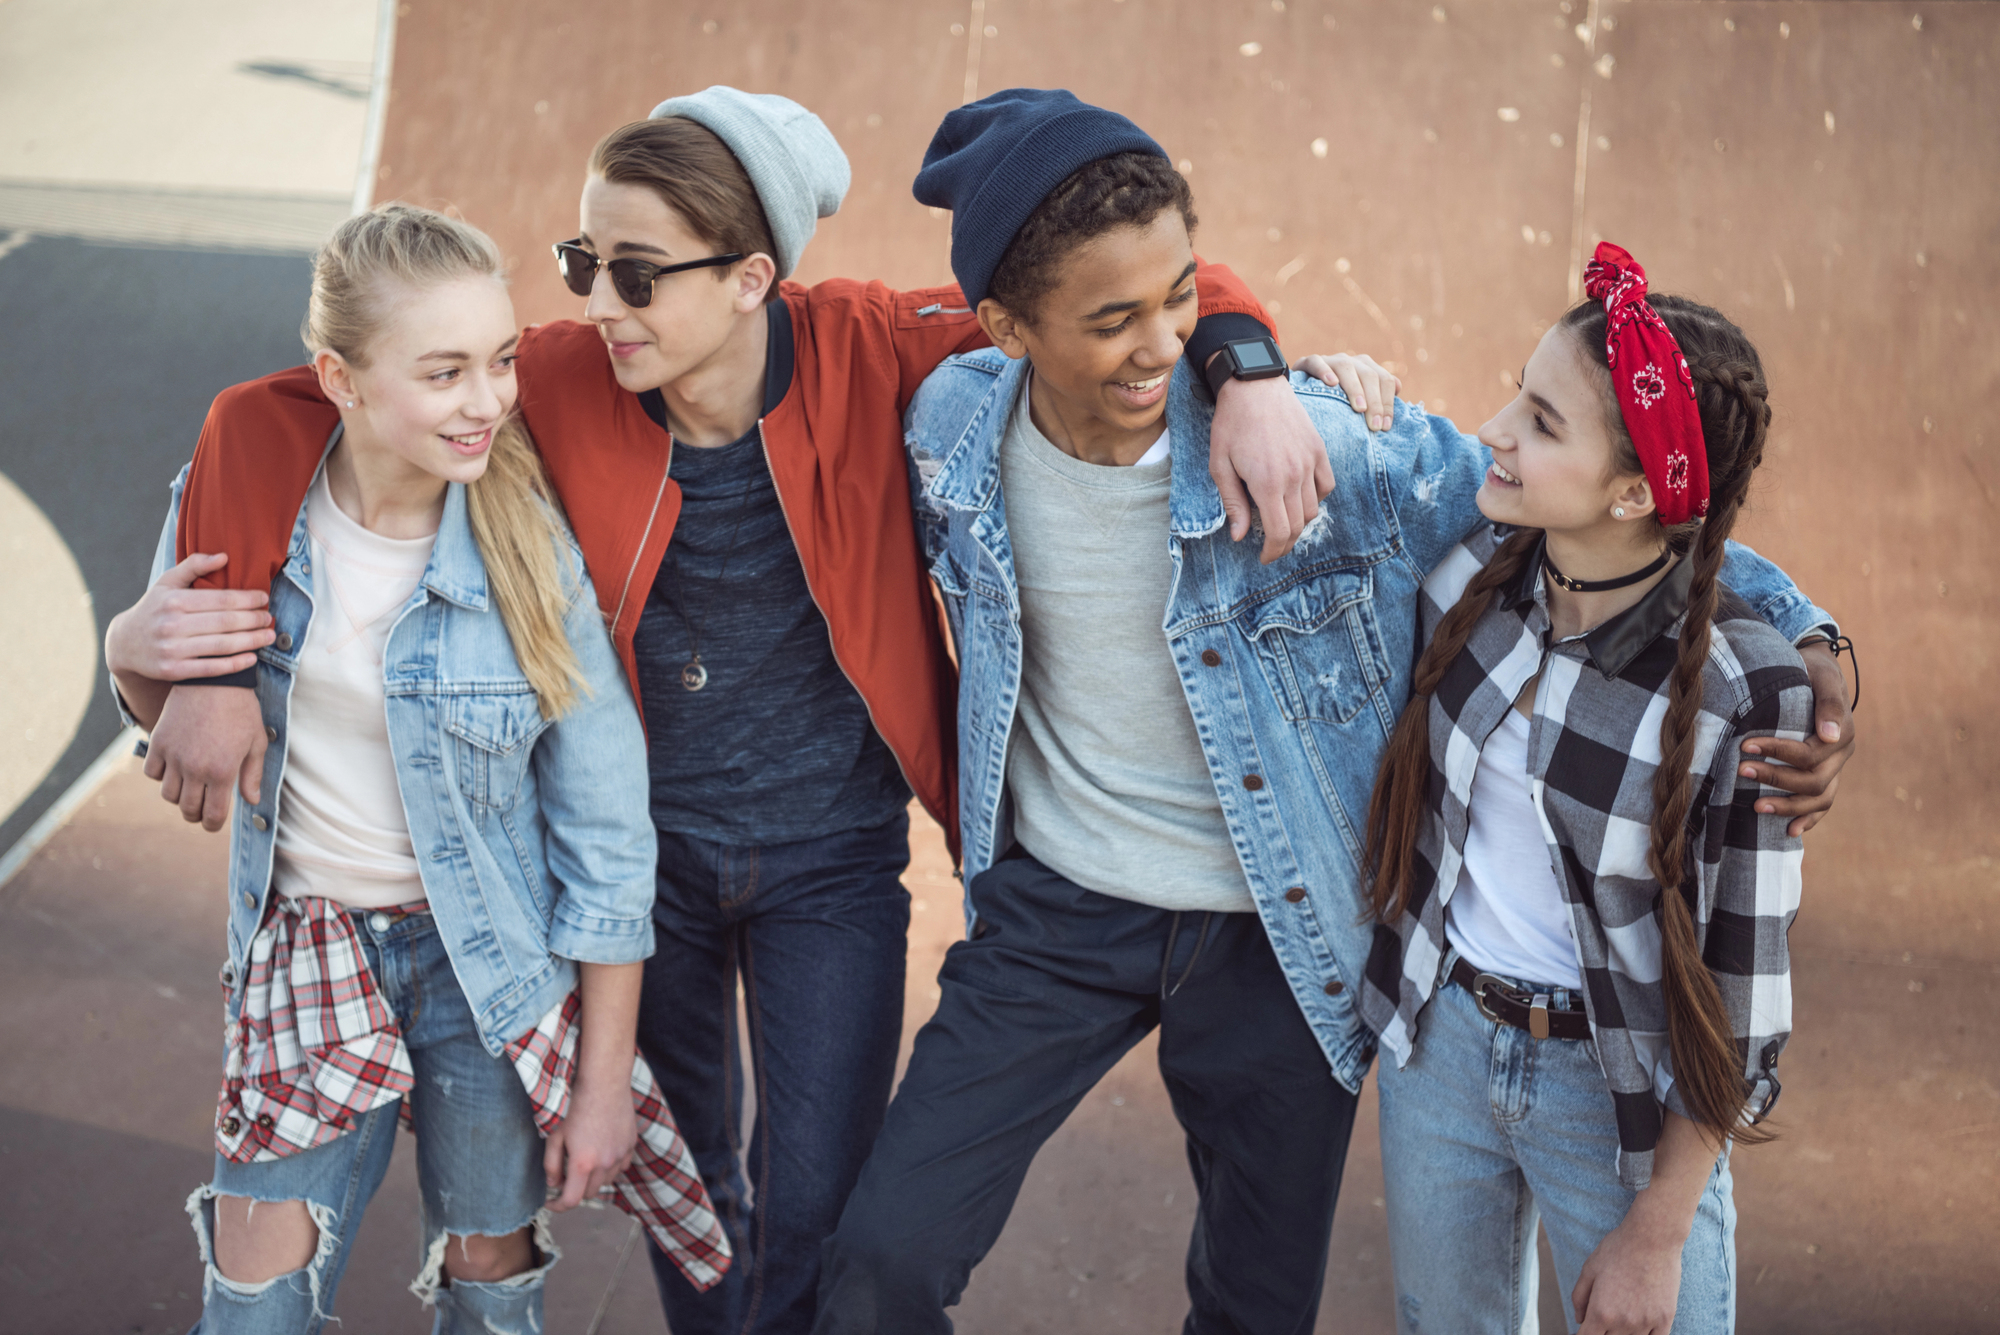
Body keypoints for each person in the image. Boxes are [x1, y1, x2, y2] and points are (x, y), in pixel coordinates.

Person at [111, 88, 1347, 1335]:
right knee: (690, 1199)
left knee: (820, 1207)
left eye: (637, 274)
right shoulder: (557, 372)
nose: (599, 302)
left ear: (751, 276)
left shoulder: (871, 342)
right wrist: (202, 670)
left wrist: (1243, 369)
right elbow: (280, 408)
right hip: (648, 862)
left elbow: (1143, 275)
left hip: (833, 864)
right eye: (583, 262)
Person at [813, 94, 1854, 1334]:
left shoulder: (1311, 449)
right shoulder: (949, 436)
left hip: (1276, 930)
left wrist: (1804, 632)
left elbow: (1608, 522)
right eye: (1110, 320)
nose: (1159, 344)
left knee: (1254, 1309)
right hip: (1057, 913)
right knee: (881, 1261)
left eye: (1179, 299)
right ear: (1004, 326)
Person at [104, 205, 727, 1333]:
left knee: (491, 1307)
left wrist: (599, 1090)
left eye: (497, 362)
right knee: (251, 1313)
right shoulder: (241, 503)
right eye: (442, 373)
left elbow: (607, 833)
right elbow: (185, 734)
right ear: (340, 378)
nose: (486, 400)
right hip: (307, 952)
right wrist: (128, 657)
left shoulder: (526, 548)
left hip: (487, 973)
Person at [1359, 246, 1814, 1335]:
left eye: (1542, 421)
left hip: (1616, 1097)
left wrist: (1657, 1228)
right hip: (1439, 1048)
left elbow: (1740, 985)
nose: (1496, 429)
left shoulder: (1739, 691)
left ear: (1633, 490)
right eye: (1517, 393)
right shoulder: (1471, 573)